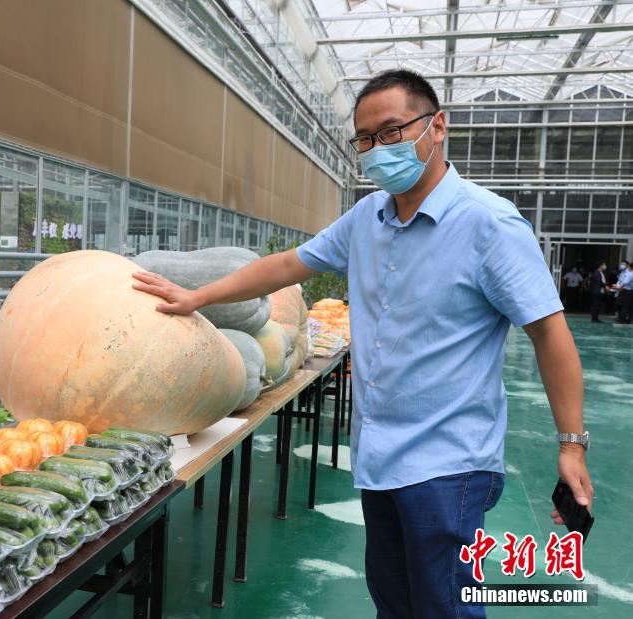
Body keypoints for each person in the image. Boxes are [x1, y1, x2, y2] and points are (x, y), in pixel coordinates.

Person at [133, 69, 593, 619]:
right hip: (379, 455)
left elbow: (550, 333)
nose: (379, 149)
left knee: (443, 607)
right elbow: (287, 265)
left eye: (392, 131)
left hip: (449, 465)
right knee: (393, 603)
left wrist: (571, 445)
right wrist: (198, 296)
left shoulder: (489, 225)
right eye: (366, 139)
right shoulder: (366, 219)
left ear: (437, 126)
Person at [616, 259, 633, 324]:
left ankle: (623, 320)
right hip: (624, 290)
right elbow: (620, 280)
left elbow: (625, 282)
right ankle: (622, 319)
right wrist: (618, 286)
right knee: (622, 305)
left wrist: (619, 287)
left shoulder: (630, 274)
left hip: (627, 291)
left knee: (625, 306)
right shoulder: (623, 272)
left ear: (629, 266)